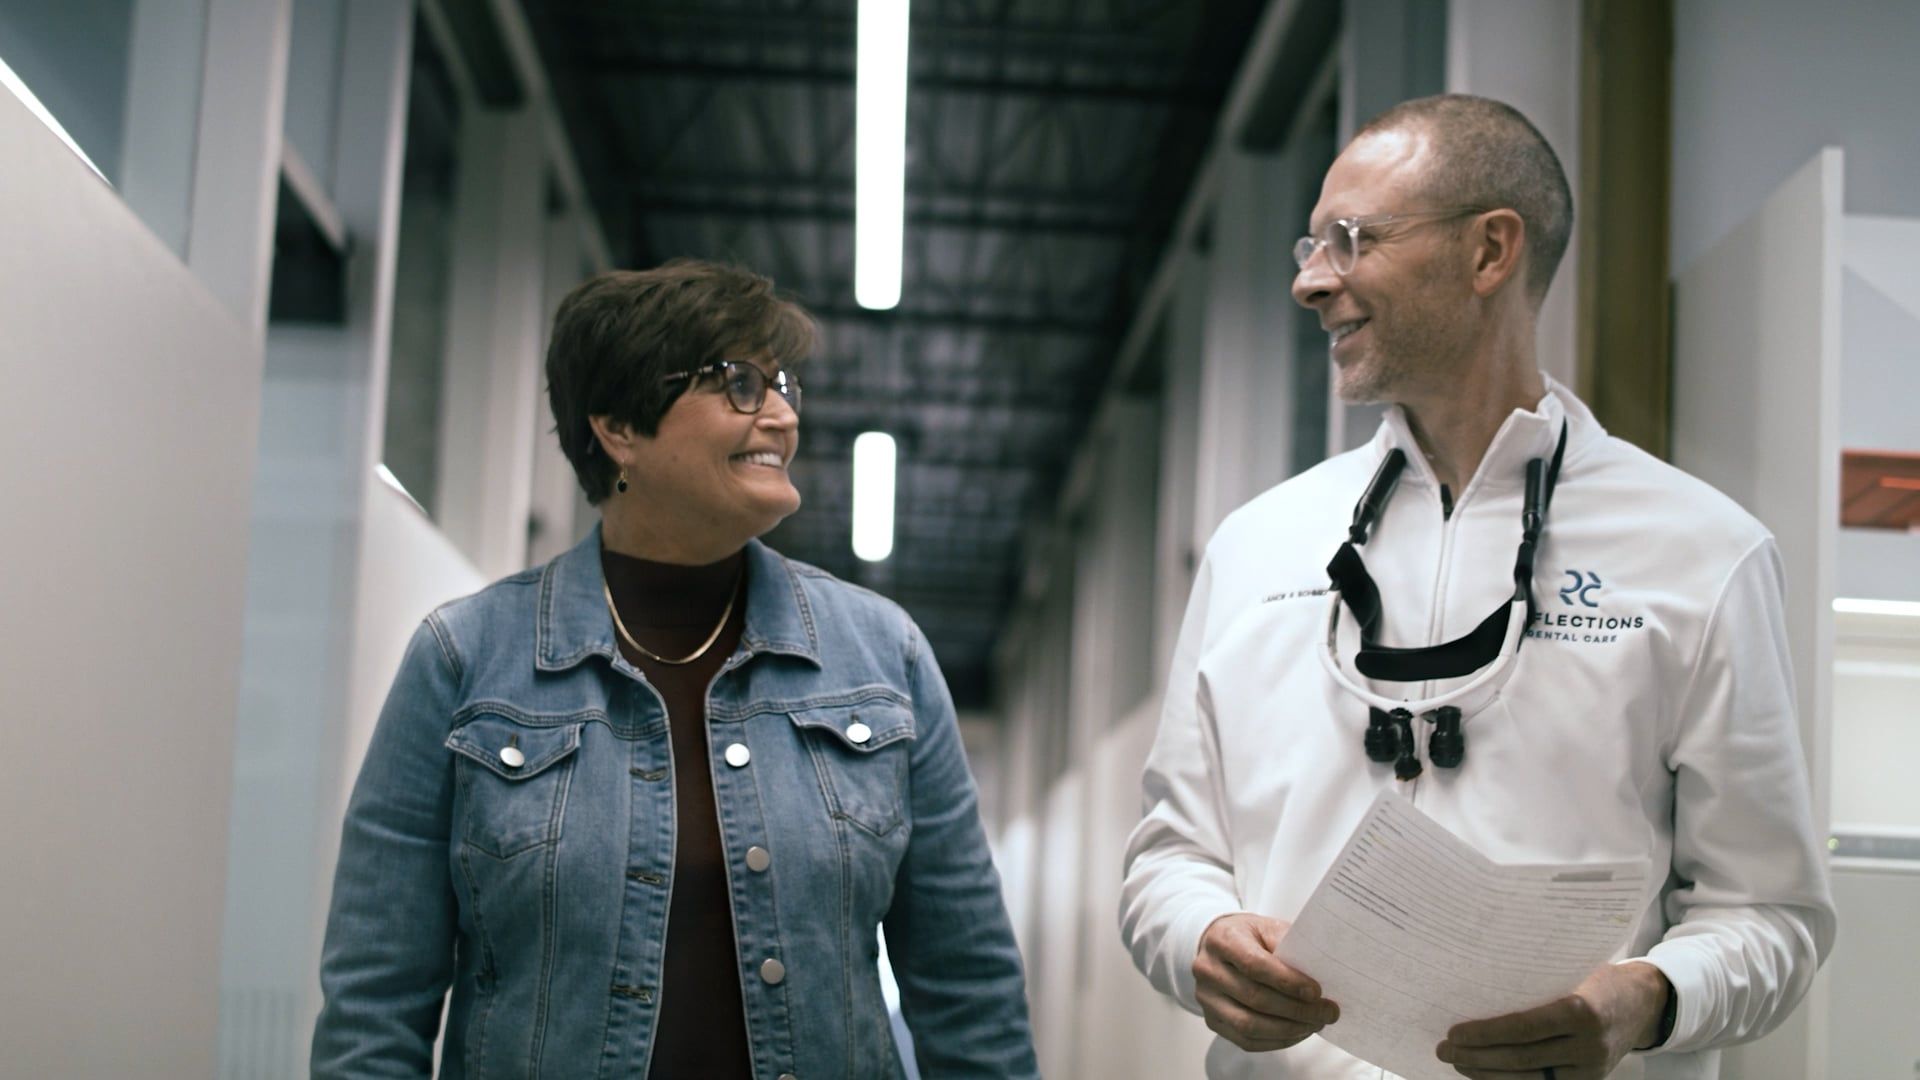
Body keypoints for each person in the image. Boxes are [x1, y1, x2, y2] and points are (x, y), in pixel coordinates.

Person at [1118, 94, 1835, 1079]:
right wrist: (1197, 938)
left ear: (1490, 251)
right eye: (1310, 246)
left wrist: (1648, 998)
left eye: (1352, 240)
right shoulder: (1258, 545)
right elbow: (1169, 858)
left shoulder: (1702, 553)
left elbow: (1772, 914)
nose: (1311, 282)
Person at [313, 259, 1038, 1078]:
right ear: (619, 425)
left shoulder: (882, 657)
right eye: (740, 385)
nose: (781, 416)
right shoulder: (466, 659)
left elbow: (970, 995)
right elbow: (374, 1009)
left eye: (782, 386)